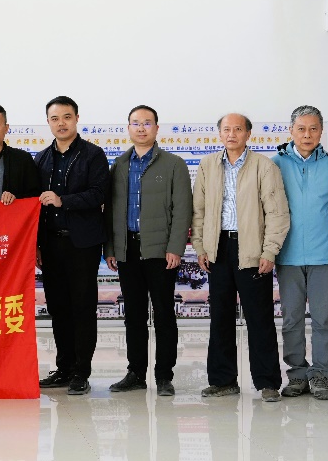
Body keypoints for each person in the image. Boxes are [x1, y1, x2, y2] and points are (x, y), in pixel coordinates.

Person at [192, 113, 290, 402]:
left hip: (252, 248)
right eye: (226, 129)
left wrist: (269, 250)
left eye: (238, 129)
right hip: (218, 248)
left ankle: (267, 382)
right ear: (219, 134)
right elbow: (199, 211)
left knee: (260, 318)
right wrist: (201, 247)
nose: (232, 134)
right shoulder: (208, 165)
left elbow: (277, 213)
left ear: (248, 134)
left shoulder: (264, 166)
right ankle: (223, 381)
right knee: (220, 317)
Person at [104, 105, 192, 397]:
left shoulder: (174, 164)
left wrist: (175, 247)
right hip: (127, 250)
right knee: (134, 315)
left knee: (164, 314)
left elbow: (182, 211)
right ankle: (136, 373)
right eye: (135, 123)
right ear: (128, 128)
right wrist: (111, 248)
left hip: (161, 252)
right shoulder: (118, 165)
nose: (141, 128)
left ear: (156, 127)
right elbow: (111, 210)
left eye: (147, 123)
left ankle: (164, 376)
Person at [34, 96, 111, 396]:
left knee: (82, 307)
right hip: (51, 244)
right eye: (55, 119)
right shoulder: (41, 158)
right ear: (48, 122)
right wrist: (36, 244)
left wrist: (62, 200)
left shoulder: (93, 154)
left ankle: (81, 371)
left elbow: (98, 194)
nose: (61, 123)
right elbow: (35, 206)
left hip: (82, 244)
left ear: (77, 118)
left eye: (67, 117)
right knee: (58, 308)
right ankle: (64, 368)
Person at [272, 105, 328, 401]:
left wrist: (327, 236)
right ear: (291, 130)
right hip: (287, 254)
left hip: (323, 254)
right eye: (301, 128)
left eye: (313, 129)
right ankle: (297, 374)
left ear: (321, 132)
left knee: (323, 318)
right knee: (291, 318)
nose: (307, 134)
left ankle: (320, 375)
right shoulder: (275, 164)